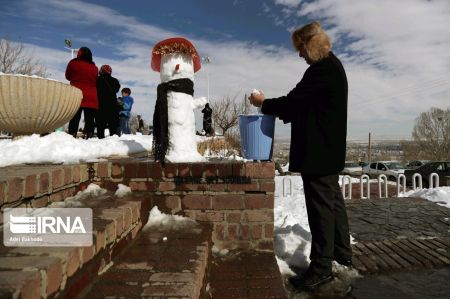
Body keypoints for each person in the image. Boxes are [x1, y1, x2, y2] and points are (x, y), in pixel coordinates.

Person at [249, 21, 351, 291]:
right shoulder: (332, 67)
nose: (299, 54)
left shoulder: (321, 71)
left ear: (311, 45)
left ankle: (321, 268)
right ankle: (342, 255)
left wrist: (264, 104)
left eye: (300, 48)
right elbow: (301, 104)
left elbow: (293, 102)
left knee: (321, 210)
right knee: (332, 204)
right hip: (329, 152)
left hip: (319, 153)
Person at [65, 47, 98, 139]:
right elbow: (95, 80)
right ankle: (90, 135)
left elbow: (67, 76)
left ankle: (72, 134)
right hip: (91, 95)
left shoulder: (73, 63)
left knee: (75, 117)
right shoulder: (95, 68)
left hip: (77, 93)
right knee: (90, 119)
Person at [96, 64, 121, 139]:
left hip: (101, 105)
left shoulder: (97, 80)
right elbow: (117, 89)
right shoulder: (115, 81)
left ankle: (100, 141)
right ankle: (113, 143)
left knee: (100, 126)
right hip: (112, 106)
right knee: (113, 127)